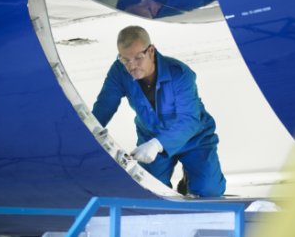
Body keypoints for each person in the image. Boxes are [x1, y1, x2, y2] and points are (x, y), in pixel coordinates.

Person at [92, 25, 226, 197]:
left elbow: (190, 120)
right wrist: (88, 134)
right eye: (125, 59)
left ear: (151, 51)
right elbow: (105, 105)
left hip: (194, 139)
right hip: (150, 136)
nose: (131, 65)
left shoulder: (180, 74)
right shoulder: (119, 70)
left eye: (138, 58)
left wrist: (157, 144)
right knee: (151, 193)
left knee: (209, 191)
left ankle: (189, 180)